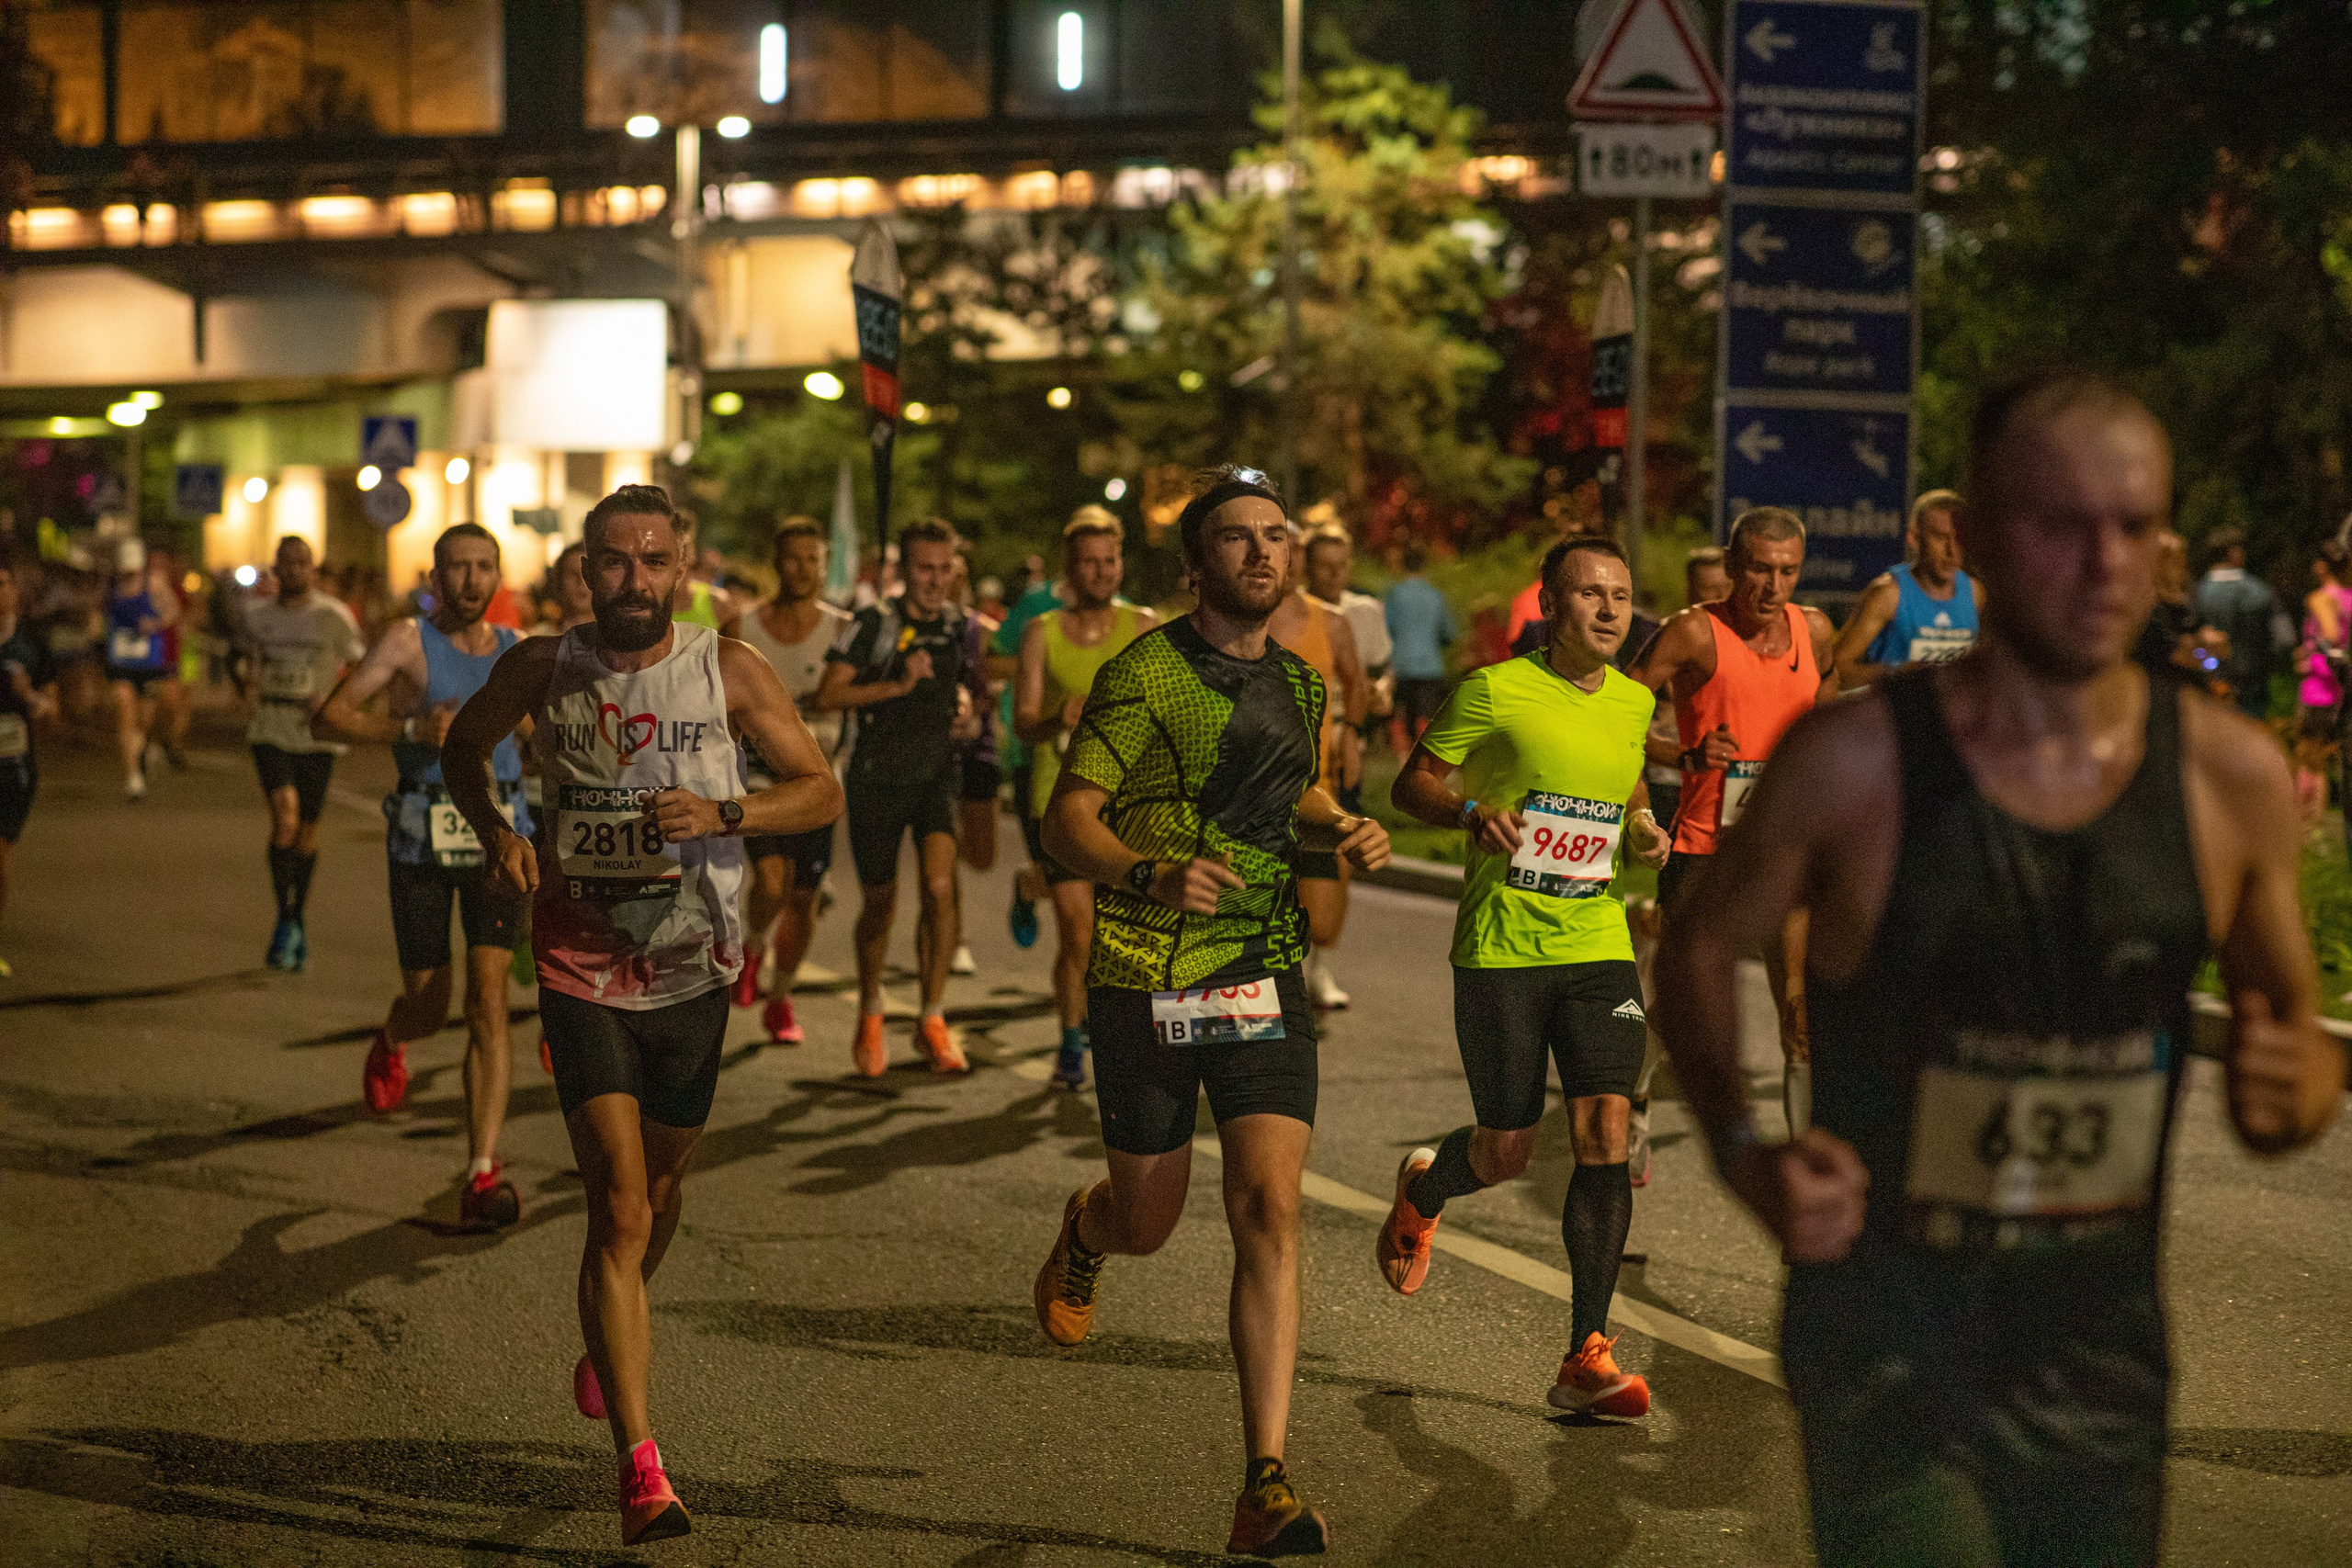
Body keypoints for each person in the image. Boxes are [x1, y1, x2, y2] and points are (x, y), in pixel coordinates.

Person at [1652, 370, 2346, 1567]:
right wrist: (1739, 1148)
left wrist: (2301, 1085)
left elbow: (2289, 1026)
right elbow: (1701, 947)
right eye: (2059, 523)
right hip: (1891, 1345)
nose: (2103, 561)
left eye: (2133, 527)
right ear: (1973, 537)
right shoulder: (1857, 763)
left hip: (2098, 1351)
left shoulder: (2224, 777)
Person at [442, 483, 841, 1546]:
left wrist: (726, 813)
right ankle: (641, 1464)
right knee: (618, 1209)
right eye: (612, 563)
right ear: (584, 568)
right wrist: (499, 835)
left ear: (681, 565)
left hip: (696, 965)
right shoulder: (540, 665)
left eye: (652, 561)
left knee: (662, 1191)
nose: (632, 581)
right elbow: (461, 751)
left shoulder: (727, 669)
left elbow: (819, 788)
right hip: (580, 963)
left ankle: (606, 1336)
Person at [1031, 465, 1389, 1558]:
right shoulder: (1145, 673)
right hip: (1147, 973)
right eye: (1235, 539)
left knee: (1270, 1209)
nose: (1261, 553)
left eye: (1273, 535)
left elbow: (1293, 792)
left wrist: (1344, 826)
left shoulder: (1304, 679)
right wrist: (1146, 873)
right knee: (1149, 1222)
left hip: (1261, 971)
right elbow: (1066, 822)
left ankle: (1263, 1480)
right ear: (1195, 567)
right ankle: (1088, 1229)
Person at [1380, 536, 1673, 1415]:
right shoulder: (1495, 690)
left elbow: (1623, 791)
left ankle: (1587, 1351)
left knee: (1604, 1130)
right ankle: (1426, 1189)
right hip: (1503, 947)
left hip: (1595, 942)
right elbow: (1411, 784)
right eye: (1591, 594)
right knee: (1506, 1149)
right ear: (1551, 604)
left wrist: (1648, 827)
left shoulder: (1633, 702)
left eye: (1621, 594)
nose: (1611, 610)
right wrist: (1472, 810)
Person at [311, 523, 533, 1226]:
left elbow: (548, 736)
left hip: (497, 833)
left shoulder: (516, 654)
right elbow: (330, 717)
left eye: (483, 566)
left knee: (489, 1001)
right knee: (431, 1003)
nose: (471, 580)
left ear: (498, 574)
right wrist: (408, 731)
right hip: (423, 836)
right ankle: (395, 1035)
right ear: (434, 577)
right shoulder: (407, 643)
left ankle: (481, 1168)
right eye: (457, 567)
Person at [1627, 508, 1838, 1136]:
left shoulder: (1815, 629)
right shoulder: (1691, 634)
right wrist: (1680, 755)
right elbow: (1617, 716)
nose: (1773, 587)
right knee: (1690, 1002)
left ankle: (1805, 1158)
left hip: (1787, 845)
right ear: (1732, 566)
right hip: (1705, 843)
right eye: (1760, 570)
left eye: (1788, 571)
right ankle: (1631, 1097)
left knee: (1798, 1013)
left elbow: (1825, 699)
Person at [813, 518, 986, 1077]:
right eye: (923, 570)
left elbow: (973, 692)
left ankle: (932, 1018)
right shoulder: (875, 623)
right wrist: (898, 686)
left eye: (944, 569)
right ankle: (870, 1012)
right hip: (876, 779)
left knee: (939, 889)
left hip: (936, 776)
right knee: (881, 903)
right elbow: (829, 694)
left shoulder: (962, 625)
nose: (935, 581)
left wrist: (966, 711)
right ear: (903, 570)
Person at [1012, 507, 1155, 1089]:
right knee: (1079, 931)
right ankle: (1072, 1039)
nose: (1100, 572)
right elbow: (1023, 722)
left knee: (1120, 928)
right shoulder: (1041, 631)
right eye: (1089, 562)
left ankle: (1030, 886)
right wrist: (1055, 718)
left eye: (1110, 561)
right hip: (1060, 794)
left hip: (1128, 798)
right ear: (1070, 570)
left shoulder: (1144, 626)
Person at [723, 517, 849, 1045]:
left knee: (803, 898)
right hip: (758, 778)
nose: (801, 569)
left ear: (824, 564)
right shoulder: (742, 628)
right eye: (791, 558)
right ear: (776, 562)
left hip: (819, 779)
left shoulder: (844, 629)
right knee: (771, 883)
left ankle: (781, 997)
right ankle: (753, 946)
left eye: (811, 559)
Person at [241, 535, 367, 971]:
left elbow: (359, 664)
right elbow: (245, 662)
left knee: (307, 833)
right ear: (275, 570)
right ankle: (284, 917)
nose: (295, 570)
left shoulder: (333, 616)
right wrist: (249, 685)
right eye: (287, 563)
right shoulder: (256, 618)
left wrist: (335, 700)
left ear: (313, 569)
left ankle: (296, 920)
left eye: (303, 563)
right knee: (285, 818)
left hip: (316, 733)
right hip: (271, 726)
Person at [1269, 531, 1368, 1011]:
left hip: (1317, 787)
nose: (1285, 562)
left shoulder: (1330, 622)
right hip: (1251, 797)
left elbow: (1356, 682)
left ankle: (1318, 965)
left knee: (1322, 922)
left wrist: (1352, 733)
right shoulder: (1241, 625)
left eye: (1293, 552)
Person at [1832, 490, 1984, 688]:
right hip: (1896, 716)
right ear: (1914, 538)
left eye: (1959, 539)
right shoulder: (1889, 594)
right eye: (1940, 537)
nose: (1951, 550)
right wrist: (1901, 675)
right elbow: (1835, 672)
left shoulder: (1975, 593)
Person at [993, 551, 1068, 949]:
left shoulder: (1126, 618)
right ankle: (1028, 885)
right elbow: (994, 659)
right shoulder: (1036, 608)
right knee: (1054, 875)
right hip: (1035, 755)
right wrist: (1033, 668)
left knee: (1087, 886)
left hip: (1101, 765)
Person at [1, 559, 62, 977]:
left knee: (0, 852)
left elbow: (52, 712)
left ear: (15, 590)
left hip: (14, 763)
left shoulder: (32, 644)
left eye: (3, 583)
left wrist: (29, 695)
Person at [103, 540, 176, 801]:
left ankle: (143, 749)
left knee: (144, 721)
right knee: (125, 713)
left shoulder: (153, 583)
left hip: (147, 664)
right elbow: (97, 612)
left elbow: (172, 610)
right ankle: (133, 776)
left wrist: (155, 623)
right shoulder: (109, 585)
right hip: (121, 663)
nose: (129, 574)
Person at [2193, 526, 2281, 718]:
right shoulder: (2263, 592)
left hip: (2208, 690)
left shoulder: (2195, 595)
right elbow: (2284, 639)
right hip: (2253, 691)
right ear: (2235, 553)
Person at [1384, 543, 1456, 749]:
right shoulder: (1435, 596)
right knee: (1425, 715)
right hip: (1430, 666)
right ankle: (1422, 757)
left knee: (1400, 714)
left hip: (1402, 665)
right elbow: (1448, 632)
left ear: (1403, 565)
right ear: (1424, 565)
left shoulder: (1395, 594)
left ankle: (1402, 759)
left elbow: (1386, 629)